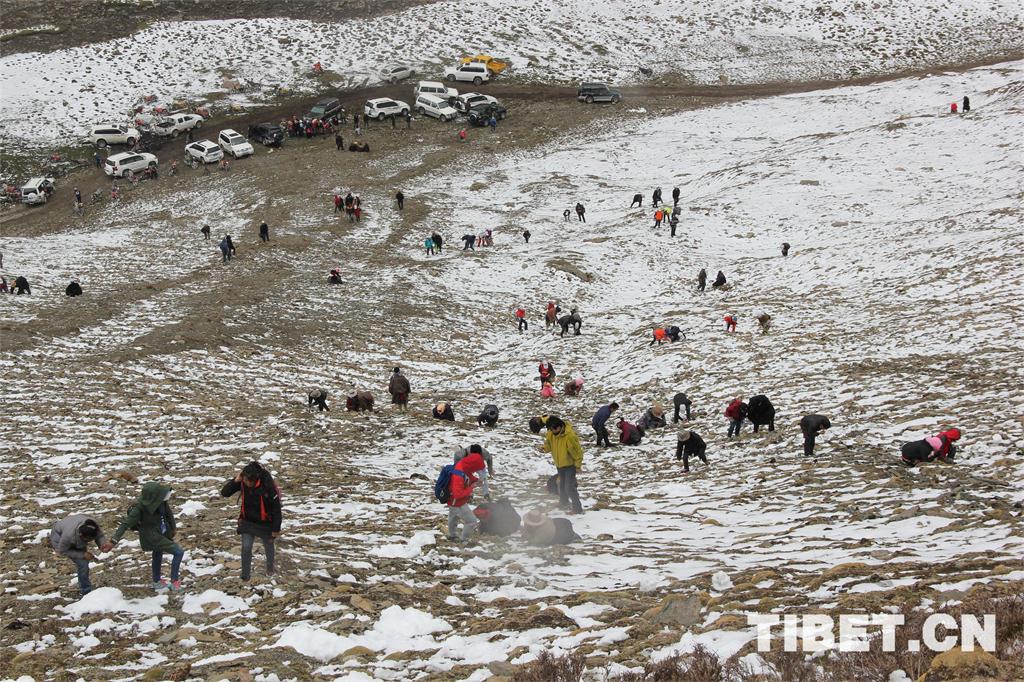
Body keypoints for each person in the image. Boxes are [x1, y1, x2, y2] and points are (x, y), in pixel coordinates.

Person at [111, 482, 185, 591]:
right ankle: (174, 582)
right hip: (151, 536)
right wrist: (113, 540)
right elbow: (125, 524)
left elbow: (169, 514)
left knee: (158, 553)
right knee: (178, 552)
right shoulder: (139, 508)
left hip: (162, 531)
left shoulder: (162, 502)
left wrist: (173, 528)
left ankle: (156, 581)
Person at [220, 462, 281, 582]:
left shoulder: (268, 486)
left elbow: (276, 509)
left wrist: (276, 529)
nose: (246, 483)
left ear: (255, 479)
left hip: (265, 523)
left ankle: (270, 567)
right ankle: (245, 576)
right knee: (246, 548)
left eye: (248, 481)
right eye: (244, 480)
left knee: (268, 546)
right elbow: (225, 493)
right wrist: (235, 481)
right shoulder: (242, 481)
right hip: (247, 521)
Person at [50, 515, 113, 597]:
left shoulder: (93, 525)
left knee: (84, 561)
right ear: (81, 534)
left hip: (71, 526)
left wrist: (102, 544)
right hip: (59, 535)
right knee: (83, 564)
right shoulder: (68, 536)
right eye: (86, 540)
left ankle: (86, 590)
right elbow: (61, 550)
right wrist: (82, 554)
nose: (88, 542)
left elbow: (99, 536)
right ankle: (86, 592)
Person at [538, 416, 584, 514]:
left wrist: (578, 465)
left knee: (569, 487)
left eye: (555, 428)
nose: (553, 431)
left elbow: (577, 452)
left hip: (570, 465)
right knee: (562, 485)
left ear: (560, 426)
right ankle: (564, 502)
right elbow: (548, 444)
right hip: (559, 464)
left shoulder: (569, 436)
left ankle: (577, 509)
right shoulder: (551, 433)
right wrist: (544, 448)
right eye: (551, 429)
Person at [446, 451, 486, 541]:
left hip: (453, 501)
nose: (476, 470)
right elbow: (457, 494)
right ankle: (465, 541)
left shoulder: (463, 466)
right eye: (476, 468)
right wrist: (471, 487)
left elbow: (468, 477)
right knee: (471, 521)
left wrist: (476, 480)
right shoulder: (458, 474)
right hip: (456, 502)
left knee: (453, 517)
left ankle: (452, 536)